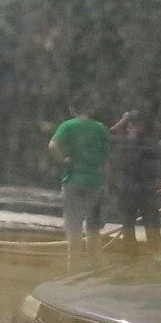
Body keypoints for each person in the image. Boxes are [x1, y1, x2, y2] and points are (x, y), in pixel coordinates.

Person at [48, 95, 110, 272]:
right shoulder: (100, 128)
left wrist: (64, 160)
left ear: (72, 110)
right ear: (89, 109)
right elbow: (107, 162)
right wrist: (105, 182)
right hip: (94, 182)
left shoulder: (68, 126)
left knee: (73, 226)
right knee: (93, 227)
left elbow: (52, 146)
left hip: (73, 181)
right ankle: (95, 267)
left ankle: (74, 268)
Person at [109, 110, 161, 254]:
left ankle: (131, 256)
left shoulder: (123, 141)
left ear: (129, 124)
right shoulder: (152, 143)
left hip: (128, 188)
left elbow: (110, 133)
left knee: (128, 226)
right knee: (152, 225)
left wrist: (123, 120)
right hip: (147, 189)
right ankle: (156, 253)